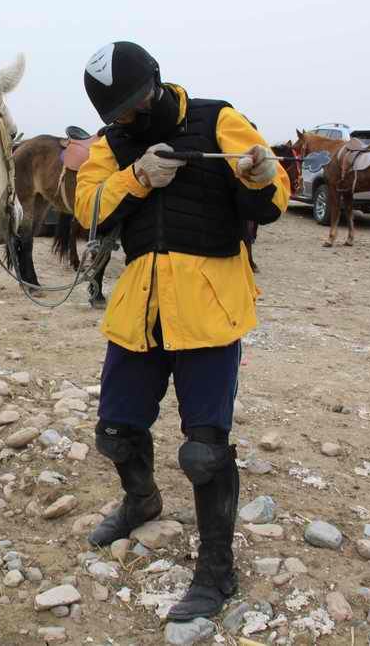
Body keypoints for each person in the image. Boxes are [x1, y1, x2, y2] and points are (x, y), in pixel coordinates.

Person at [74, 41, 290, 621]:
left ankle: (217, 573)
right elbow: (87, 209)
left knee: (203, 452)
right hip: (140, 307)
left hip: (210, 307)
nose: (127, 119)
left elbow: (273, 197)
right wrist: (138, 177)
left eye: (133, 106)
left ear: (156, 85)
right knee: (115, 433)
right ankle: (141, 501)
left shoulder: (218, 117)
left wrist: (262, 175)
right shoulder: (111, 145)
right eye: (117, 114)